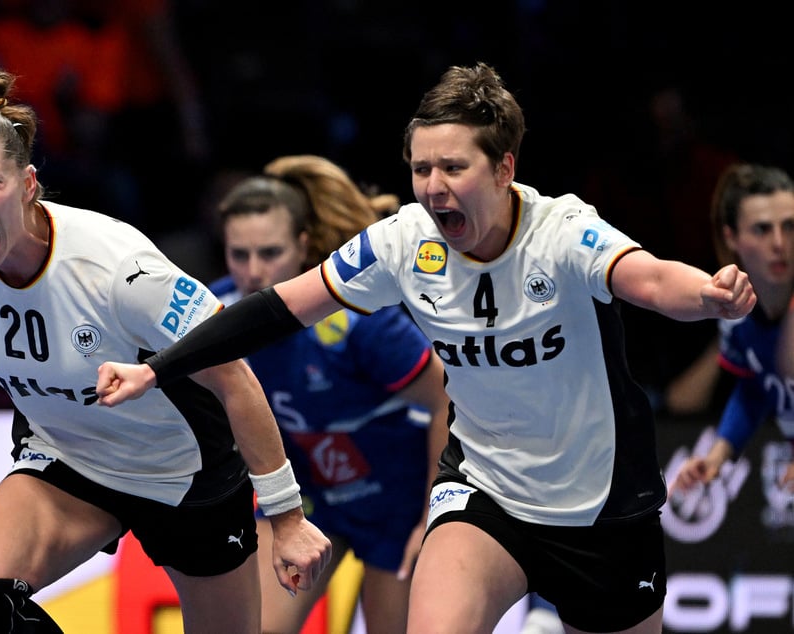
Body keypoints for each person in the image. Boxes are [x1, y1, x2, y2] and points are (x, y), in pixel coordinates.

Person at [95, 62, 757, 633]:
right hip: (485, 491)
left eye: (453, 167)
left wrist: (709, 294)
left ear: (504, 169)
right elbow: (275, 309)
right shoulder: (405, 240)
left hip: (603, 505)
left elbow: (651, 280)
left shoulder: (562, 232)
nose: (433, 185)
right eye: (421, 168)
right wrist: (160, 368)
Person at [0, 68, 331, 634]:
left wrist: (286, 516)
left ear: (28, 184)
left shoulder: (118, 270)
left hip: (183, 473)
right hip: (70, 459)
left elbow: (234, 377)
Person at [208, 154, 450, 633]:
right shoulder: (217, 314)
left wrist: (432, 519)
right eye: (239, 255)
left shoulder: (357, 319)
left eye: (270, 253)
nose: (253, 272)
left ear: (303, 246)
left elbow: (446, 399)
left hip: (398, 503)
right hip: (309, 499)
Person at [670, 163, 794, 494]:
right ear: (732, 238)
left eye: (789, 226)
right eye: (762, 229)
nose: (779, 242)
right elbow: (755, 389)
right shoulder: (738, 320)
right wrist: (716, 456)